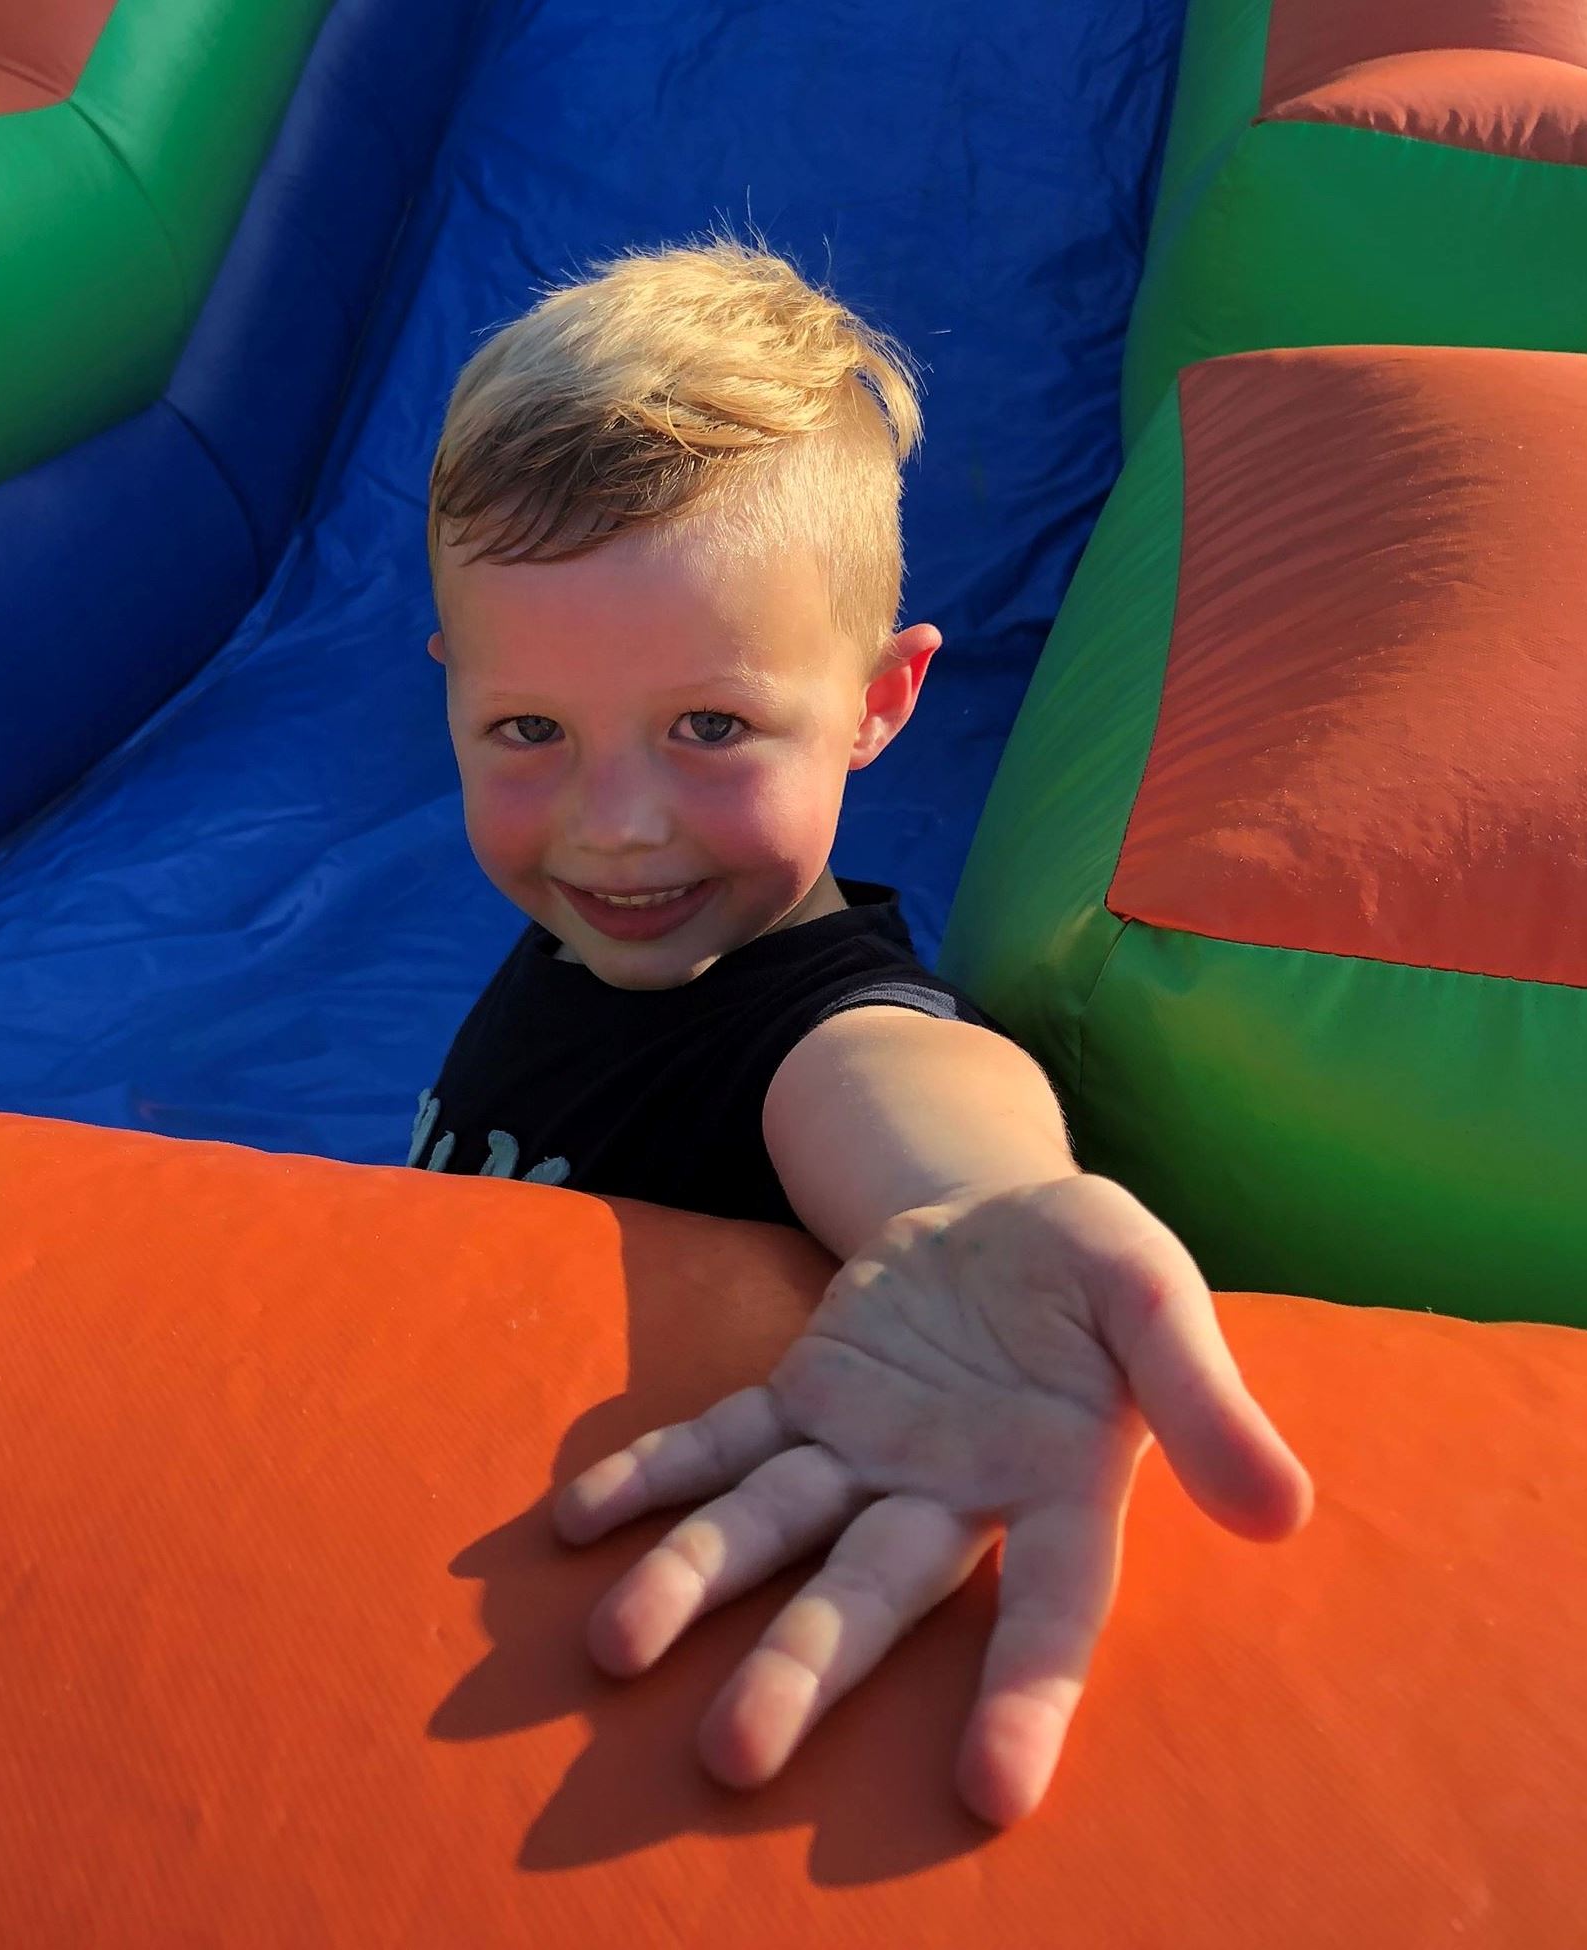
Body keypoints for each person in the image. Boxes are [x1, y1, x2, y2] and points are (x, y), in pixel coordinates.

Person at [410, 236, 1313, 1826]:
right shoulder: (617, 912)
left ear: (880, 702)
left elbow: (901, 1082)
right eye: (528, 730)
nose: (613, 826)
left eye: (711, 727)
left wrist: (983, 1209)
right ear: (453, 694)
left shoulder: (812, 1026)